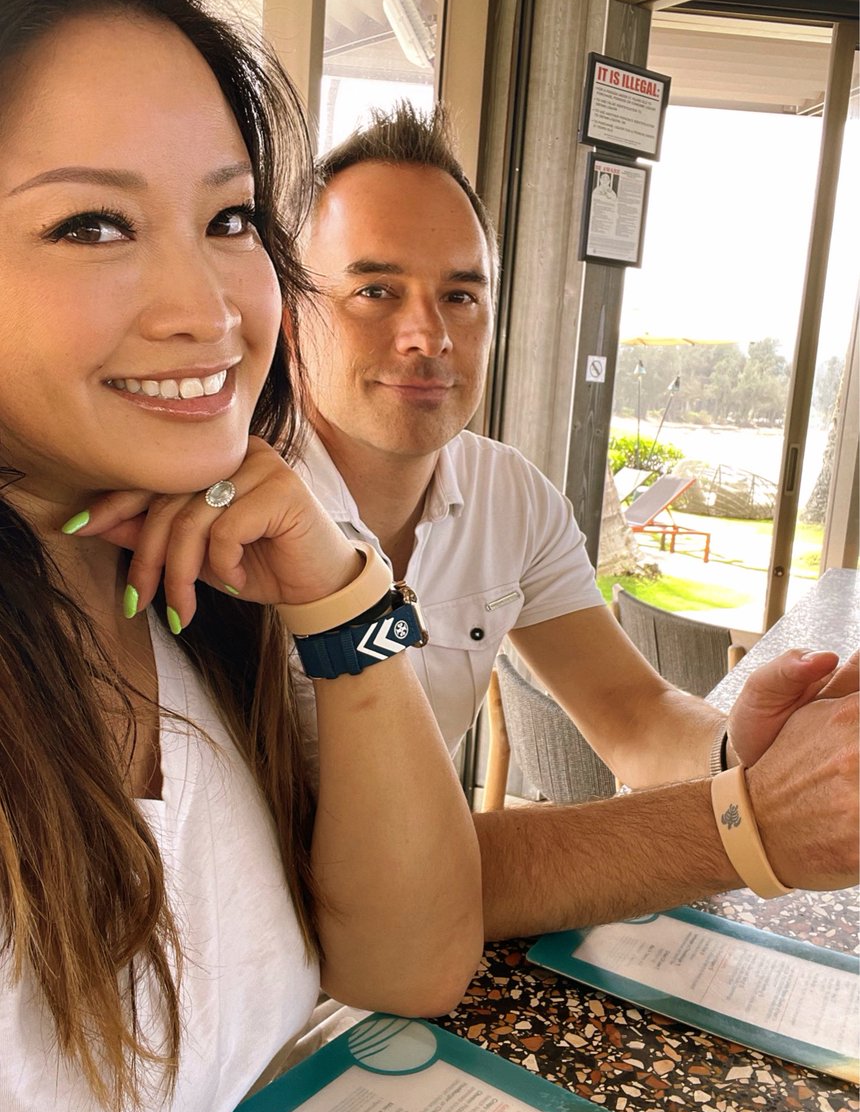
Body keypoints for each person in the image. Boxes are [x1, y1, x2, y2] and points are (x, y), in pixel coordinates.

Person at [0, 0, 482, 1112]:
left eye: (228, 220)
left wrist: (338, 597)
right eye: (91, 225)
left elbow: (407, 967)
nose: (208, 310)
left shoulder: (192, 578)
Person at [294, 101, 858, 940]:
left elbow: (632, 712)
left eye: (461, 295)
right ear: (287, 311)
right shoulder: (230, 520)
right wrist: (750, 825)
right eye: (374, 291)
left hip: (414, 960)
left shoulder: (510, 495)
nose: (428, 335)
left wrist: (739, 749)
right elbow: (325, 874)